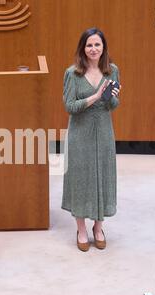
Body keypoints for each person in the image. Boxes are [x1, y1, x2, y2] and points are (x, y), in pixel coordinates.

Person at [62, 28, 121, 252]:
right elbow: (69, 106)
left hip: (104, 131)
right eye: (89, 45)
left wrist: (112, 98)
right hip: (80, 132)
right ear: (82, 48)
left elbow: (113, 106)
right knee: (81, 178)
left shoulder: (112, 70)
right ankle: (81, 229)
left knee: (103, 175)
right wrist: (95, 96)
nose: (93, 49)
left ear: (103, 47)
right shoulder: (72, 73)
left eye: (97, 45)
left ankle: (98, 227)